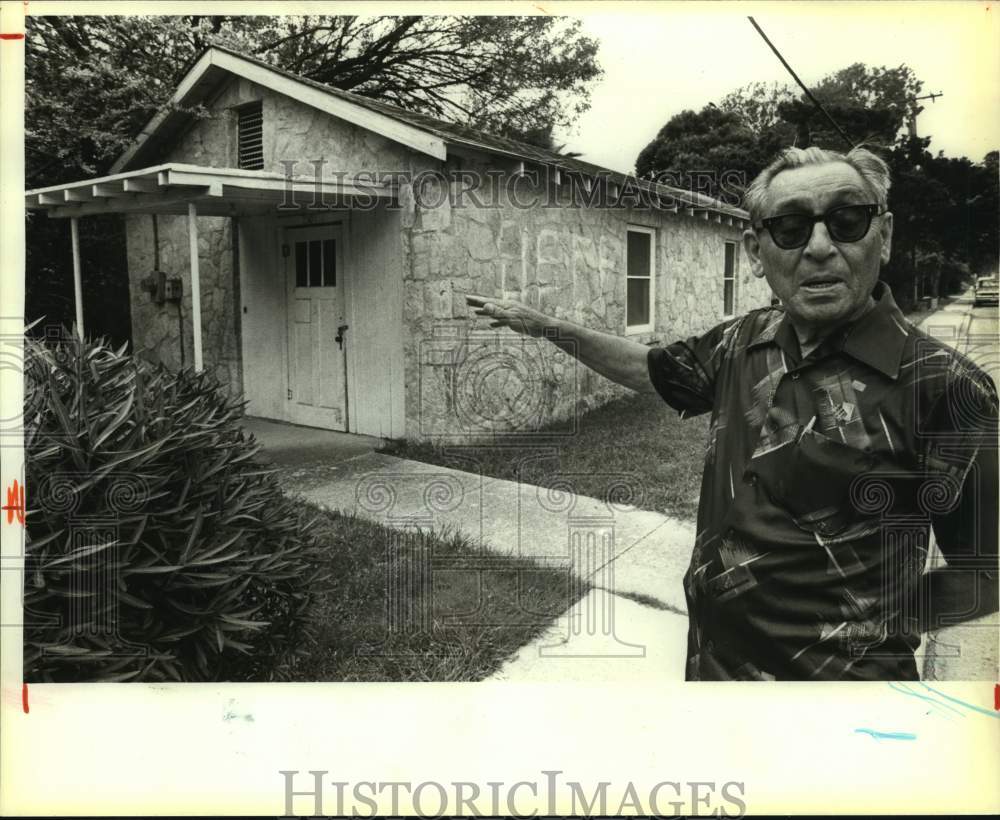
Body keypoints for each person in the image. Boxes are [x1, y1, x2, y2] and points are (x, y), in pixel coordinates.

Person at [467, 146, 998, 681]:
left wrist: (860, 629)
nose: (819, 247)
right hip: (712, 670)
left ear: (883, 236)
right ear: (756, 251)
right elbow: (652, 369)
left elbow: (990, 573)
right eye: (790, 228)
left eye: (847, 221)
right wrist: (549, 327)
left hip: (839, 699)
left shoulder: (944, 389)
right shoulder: (743, 340)